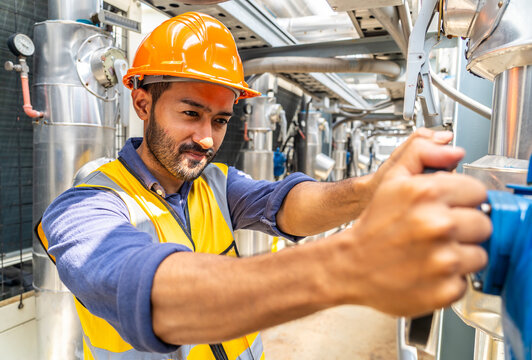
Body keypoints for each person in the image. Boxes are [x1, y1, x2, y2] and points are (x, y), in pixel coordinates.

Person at [39, 11, 492, 360]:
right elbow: (148, 292)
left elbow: (285, 204)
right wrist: (346, 266)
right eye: (190, 113)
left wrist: (373, 189)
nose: (206, 138)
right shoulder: (84, 209)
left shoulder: (214, 185)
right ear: (142, 102)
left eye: (220, 121)